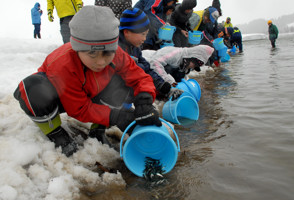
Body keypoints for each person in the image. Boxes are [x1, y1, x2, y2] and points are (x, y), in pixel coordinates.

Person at [13, 6, 161, 157]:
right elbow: (79, 109)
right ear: (78, 48)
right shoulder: (63, 63)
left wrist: (145, 100)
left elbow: (139, 77)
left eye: (107, 53)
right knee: (31, 89)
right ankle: (56, 133)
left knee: (123, 82)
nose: (101, 62)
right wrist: (116, 116)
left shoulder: (117, 54)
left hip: (94, 91)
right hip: (60, 98)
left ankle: (98, 129)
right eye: (92, 54)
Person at [118, 8, 183, 100]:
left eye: (146, 34)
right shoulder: (116, 49)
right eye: (142, 34)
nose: (145, 39)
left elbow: (147, 69)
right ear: (127, 32)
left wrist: (162, 87)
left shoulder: (135, 48)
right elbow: (134, 75)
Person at [148, 45, 214, 84]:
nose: (193, 67)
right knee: (169, 69)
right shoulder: (175, 54)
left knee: (180, 75)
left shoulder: (185, 62)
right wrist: (167, 80)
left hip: (159, 67)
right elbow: (155, 62)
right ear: (191, 58)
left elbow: (183, 77)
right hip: (148, 61)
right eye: (194, 65)